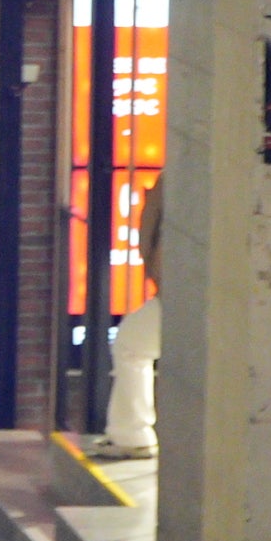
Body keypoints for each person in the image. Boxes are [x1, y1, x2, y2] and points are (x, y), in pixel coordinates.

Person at [91, 176, 166, 461]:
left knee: (130, 344)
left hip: (182, 293)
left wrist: (155, 273)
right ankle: (132, 434)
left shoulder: (175, 177)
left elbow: (149, 230)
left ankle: (132, 434)